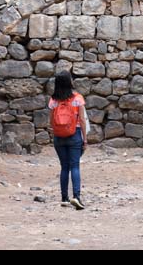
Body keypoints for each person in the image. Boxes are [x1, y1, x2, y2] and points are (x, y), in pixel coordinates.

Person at [48, 70, 89, 210]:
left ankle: (64, 198)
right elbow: (82, 120)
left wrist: (58, 131)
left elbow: (51, 121)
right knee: (75, 166)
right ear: (69, 82)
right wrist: (85, 139)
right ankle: (76, 197)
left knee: (64, 167)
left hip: (59, 136)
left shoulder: (53, 100)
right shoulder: (77, 98)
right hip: (75, 134)